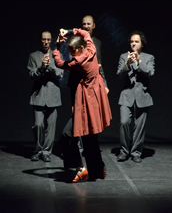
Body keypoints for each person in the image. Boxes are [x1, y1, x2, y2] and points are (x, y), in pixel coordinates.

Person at [53, 28, 112, 182]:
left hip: (86, 103)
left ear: (80, 48)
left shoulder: (78, 62)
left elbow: (59, 63)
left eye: (73, 50)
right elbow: (86, 34)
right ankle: (99, 168)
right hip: (94, 101)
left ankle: (81, 168)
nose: (71, 53)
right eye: (69, 49)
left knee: (68, 134)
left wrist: (57, 46)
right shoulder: (91, 48)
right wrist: (71, 31)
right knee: (90, 138)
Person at [116, 31, 155, 163]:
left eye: (136, 41)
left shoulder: (149, 57)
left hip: (143, 97)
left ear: (142, 44)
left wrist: (139, 62)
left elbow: (150, 72)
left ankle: (136, 152)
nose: (133, 43)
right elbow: (119, 74)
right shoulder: (123, 56)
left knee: (139, 127)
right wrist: (127, 64)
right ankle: (124, 151)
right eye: (132, 41)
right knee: (124, 122)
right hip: (126, 96)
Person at [27, 30, 63, 162]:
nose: (46, 42)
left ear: (51, 40)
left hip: (53, 96)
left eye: (48, 40)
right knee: (38, 125)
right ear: (40, 40)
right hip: (39, 95)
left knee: (51, 126)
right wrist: (41, 68)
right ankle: (38, 150)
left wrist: (51, 66)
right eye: (44, 39)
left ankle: (47, 151)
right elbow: (31, 75)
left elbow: (60, 74)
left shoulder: (56, 55)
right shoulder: (33, 56)